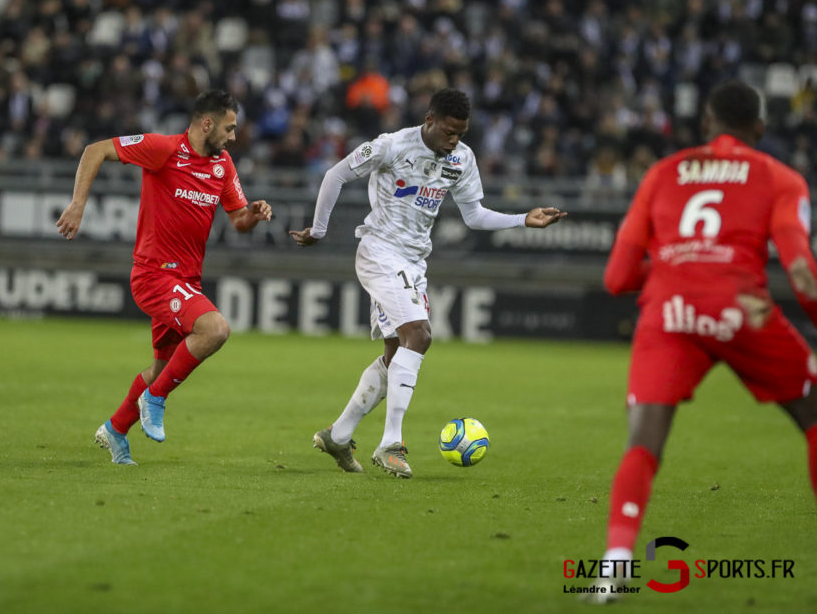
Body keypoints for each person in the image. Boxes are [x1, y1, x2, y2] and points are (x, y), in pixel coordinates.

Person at [585, 80, 817, 602]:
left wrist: (675, 267)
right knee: (814, 417)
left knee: (642, 442)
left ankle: (616, 564)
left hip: (669, 312)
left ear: (706, 125)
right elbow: (801, 270)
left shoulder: (662, 173)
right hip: (743, 310)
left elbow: (617, 278)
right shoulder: (781, 178)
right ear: (758, 129)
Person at [289, 88, 566, 478]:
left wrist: (524, 219)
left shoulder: (461, 158)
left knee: (394, 352)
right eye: (449, 132)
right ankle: (390, 444)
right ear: (430, 120)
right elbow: (336, 174)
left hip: (414, 262)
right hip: (380, 252)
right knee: (419, 335)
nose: (454, 141)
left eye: (461, 133)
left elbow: (474, 216)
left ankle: (339, 434)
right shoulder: (391, 146)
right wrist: (318, 230)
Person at [57, 89, 272, 465]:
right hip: (154, 276)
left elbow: (237, 220)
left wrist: (253, 214)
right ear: (207, 124)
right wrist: (78, 205)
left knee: (162, 367)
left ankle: (115, 429)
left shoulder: (223, 166)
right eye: (229, 128)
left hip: (187, 282)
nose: (234, 137)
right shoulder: (163, 149)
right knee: (215, 329)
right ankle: (155, 398)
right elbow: (95, 149)